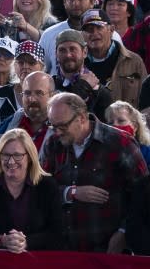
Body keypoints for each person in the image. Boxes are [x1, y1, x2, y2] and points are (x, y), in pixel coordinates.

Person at [42, 92, 148, 252]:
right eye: (52, 125)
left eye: (62, 126)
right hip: (63, 249)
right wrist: (70, 192)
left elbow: (143, 196)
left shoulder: (120, 142)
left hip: (107, 250)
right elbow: (41, 188)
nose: (56, 132)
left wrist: (123, 233)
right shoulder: (53, 144)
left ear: (82, 118)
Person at [0, 128, 63, 251]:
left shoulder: (47, 186)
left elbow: (57, 233)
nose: (11, 161)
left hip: (37, 263)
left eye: (17, 155)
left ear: (29, 157)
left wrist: (27, 242)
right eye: (6, 155)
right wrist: (2, 240)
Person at [79, 8, 146, 105]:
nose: (94, 33)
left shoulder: (134, 61)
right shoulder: (77, 62)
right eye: (89, 30)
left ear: (111, 30)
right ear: (82, 35)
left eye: (99, 27)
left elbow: (146, 99)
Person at [106, 101, 150, 166]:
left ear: (135, 126)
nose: (114, 125)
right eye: (110, 122)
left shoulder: (147, 152)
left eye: (121, 121)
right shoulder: (103, 150)